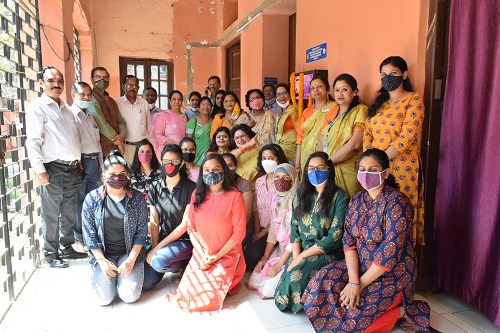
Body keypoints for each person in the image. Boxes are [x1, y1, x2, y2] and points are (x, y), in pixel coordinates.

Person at [301, 149, 431, 333]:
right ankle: (346, 312)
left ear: (385, 173)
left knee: (353, 321)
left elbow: (389, 253)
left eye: (372, 169)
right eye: (362, 169)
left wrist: (359, 285)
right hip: (360, 265)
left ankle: (404, 311)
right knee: (322, 281)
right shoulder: (356, 200)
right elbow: (349, 241)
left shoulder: (397, 203)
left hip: (391, 274)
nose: (365, 174)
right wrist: (354, 281)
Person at [166, 154, 246, 315]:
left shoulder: (235, 196)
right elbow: (191, 227)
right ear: (202, 173)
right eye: (207, 170)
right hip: (201, 255)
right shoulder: (197, 194)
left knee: (207, 299)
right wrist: (202, 254)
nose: (211, 173)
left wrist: (215, 257)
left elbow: (239, 233)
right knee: (185, 295)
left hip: (226, 255)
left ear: (224, 171)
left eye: (216, 169)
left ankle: (230, 280)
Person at [26, 66, 86, 268]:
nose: (57, 84)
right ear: (42, 83)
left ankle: (66, 247)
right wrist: (39, 170)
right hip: (52, 168)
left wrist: (77, 160)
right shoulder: (38, 107)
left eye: (60, 80)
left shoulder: (65, 107)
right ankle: (50, 254)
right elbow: (33, 141)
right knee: (51, 213)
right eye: (51, 80)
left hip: (72, 168)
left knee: (69, 211)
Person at [274, 152, 348, 313]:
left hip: (327, 250)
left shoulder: (339, 197)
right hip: (303, 248)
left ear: (329, 169)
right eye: (311, 168)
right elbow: (294, 229)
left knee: (296, 277)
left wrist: (300, 257)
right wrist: (296, 255)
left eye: (320, 167)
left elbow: (335, 235)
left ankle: (308, 305)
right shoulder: (301, 195)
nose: (315, 171)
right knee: (290, 273)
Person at [364, 56, 425, 245]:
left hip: (402, 166)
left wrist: (379, 161)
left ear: (404, 75)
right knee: (378, 209)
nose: (388, 78)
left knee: (399, 211)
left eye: (393, 73)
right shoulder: (378, 104)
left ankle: (402, 256)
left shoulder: (413, 99)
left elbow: (406, 136)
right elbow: (368, 134)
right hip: (374, 168)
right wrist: (369, 163)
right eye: (383, 74)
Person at [82, 151, 148, 305]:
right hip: (104, 254)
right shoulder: (92, 198)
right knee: (103, 299)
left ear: (127, 175)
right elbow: (89, 234)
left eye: (122, 173)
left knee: (129, 297)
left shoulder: (137, 198)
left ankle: (126, 275)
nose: (117, 178)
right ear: (104, 175)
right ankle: (108, 274)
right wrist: (101, 260)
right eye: (112, 174)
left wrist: (131, 260)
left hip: (128, 253)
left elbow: (141, 232)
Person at [142, 144, 197, 291]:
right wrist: (154, 247)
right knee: (147, 282)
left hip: (185, 240)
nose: (170, 165)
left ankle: (187, 262)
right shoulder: (154, 187)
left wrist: (157, 250)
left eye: (174, 161)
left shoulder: (191, 188)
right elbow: (154, 221)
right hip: (162, 240)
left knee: (159, 261)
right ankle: (172, 261)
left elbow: (184, 225)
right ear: (161, 162)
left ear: (182, 163)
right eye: (166, 161)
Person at [246, 163, 299, 299]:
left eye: (286, 177)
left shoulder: (298, 202)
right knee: (255, 279)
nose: (280, 181)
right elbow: (273, 231)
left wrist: (280, 264)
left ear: (293, 179)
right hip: (281, 247)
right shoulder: (276, 198)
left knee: (270, 289)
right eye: (277, 177)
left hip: (294, 249)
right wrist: (265, 258)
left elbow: (295, 237)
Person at [317, 74, 368, 197]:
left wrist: (327, 163)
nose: (340, 94)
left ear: (354, 92)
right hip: (327, 169)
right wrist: (320, 161)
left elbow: (355, 145)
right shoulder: (331, 111)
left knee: (347, 205)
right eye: (337, 90)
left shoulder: (360, 110)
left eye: (345, 89)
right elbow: (321, 137)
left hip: (347, 169)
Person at [244, 144, 288, 271]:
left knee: (254, 254)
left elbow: (279, 213)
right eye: (264, 158)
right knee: (247, 254)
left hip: (276, 230)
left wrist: (263, 233)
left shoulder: (283, 181)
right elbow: (256, 209)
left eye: (271, 158)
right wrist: (257, 232)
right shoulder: (259, 182)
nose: (267, 162)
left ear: (278, 160)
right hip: (261, 228)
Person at [70, 82, 103, 251]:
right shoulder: (71, 115)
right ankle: (79, 237)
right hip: (81, 162)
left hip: (94, 162)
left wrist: (101, 164)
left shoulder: (90, 115)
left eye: (89, 95)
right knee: (80, 201)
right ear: (73, 95)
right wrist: (78, 160)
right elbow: (72, 140)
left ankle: (91, 234)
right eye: (82, 94)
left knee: (93, 200)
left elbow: (97, 142)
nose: (86, 98)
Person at [295, 77, 337, 171]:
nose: (316, 90)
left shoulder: (335, 108)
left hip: (326, 155)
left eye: (320, 86)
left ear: (328, 89)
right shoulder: (307, 112)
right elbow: (300, 138)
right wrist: (297, 164)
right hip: (306, 156)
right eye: (312, 88)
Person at [90, 66, 127, 157]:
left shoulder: (111, 101)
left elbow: (121, 121)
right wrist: (118, 141)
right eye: (98, 77)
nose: (102, 80)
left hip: (115, 148)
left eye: (105, 77)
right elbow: (101, 123)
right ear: (92, 79)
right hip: (101, 148)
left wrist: (122, 135)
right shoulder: (91, 98)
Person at [115, 75, 152, 164]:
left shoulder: (143, 102)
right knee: (127, 174)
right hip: (125, 146)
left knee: (142, 174)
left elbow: (149, 127)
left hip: (142, 147)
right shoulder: (117, 103)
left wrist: (150, 146)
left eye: (135, 86)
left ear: (138, 88)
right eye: (129, 85)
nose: (132, 88)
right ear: (123, 86)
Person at [152, 90, 188, 160]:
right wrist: (174, 143)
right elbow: (158, 135)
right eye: (174, 99)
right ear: (170, 101)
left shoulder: (185, 117)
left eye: (179, 99)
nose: (177, 102)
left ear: (182, 101)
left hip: (181, 151)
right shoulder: (163, 116)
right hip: (166, 152)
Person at [221, 153, 253, 225]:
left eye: (230, 165)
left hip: (240, 228)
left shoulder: (244, 184)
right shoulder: (216, 185)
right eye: (224, 166)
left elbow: (246, 216)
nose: (227, 169)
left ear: (236, 167)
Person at [275, 83, 299, 163]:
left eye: (284, 93)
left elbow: (300, 132)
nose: (282, 96)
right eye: (278, 94)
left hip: (293, 151)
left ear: (290, 95)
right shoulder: (283, 110)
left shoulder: (294, 110)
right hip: (282, 150)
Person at [186, 96, 213, 164]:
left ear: (211, 108)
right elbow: (188, 140)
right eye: (203, 104)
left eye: (208, 105)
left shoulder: (214, 122)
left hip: (210, 155)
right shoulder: (193, 121)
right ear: (198, 108)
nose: (205, 107)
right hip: (196, 156)